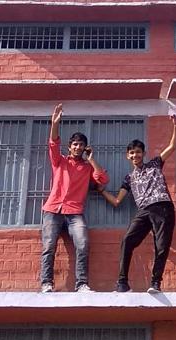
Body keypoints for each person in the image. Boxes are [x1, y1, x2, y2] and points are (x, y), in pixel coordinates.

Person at [98, 115, 176, 294]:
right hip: (144, 211)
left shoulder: (155, 164)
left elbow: (172, 146)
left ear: (143, 154)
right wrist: (102, 191)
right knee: (127, 240)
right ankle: (122, 283)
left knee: (161, 245)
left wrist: (175, 126)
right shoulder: (129, 178)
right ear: (128, 156)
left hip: (163, 207)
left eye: (138, 152)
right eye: (132, 152)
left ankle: (156, 282)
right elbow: (118, 201)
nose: (135, 155)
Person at [40, 103, 109, 293]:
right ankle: (46, 283)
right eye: (75, 144)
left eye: (81, 145)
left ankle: (82, 284)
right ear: (70, 147)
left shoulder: (87, 168)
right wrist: (55, 123)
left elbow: (103, 179)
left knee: (83, 243)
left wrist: (91, 159)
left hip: (74, 212)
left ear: (85, 148)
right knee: (48, 246)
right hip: (53, 209)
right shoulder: (59, 161)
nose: (78, 147)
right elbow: (53, 143)